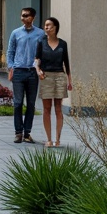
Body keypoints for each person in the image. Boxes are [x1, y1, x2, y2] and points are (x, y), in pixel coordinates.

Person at [6, 6, 45, 143]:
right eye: (22, 15)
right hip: (19, 72)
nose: (24, 18)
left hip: (32, 73)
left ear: (33, 18)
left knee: (31, 104)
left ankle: (27, 133)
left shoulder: (40, 34)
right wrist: (11, 67)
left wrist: (41, 69)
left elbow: (43, 53)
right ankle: (18, 133)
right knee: (17, 103)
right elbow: (10, 51)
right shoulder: (15, 33)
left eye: (27, 15)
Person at [34, 17, 73, 147]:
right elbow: (37, 59)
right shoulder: (41, 42)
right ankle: (48, 139)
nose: (46, 27)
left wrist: (69, 80)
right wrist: (38, 69)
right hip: (46, 76)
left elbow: (66, 62)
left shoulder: (63, 44)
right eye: (45, 25)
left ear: (55, 27)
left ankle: (58, 139)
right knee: (46, 108)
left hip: (60, 76)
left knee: (58, 109)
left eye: (49, 25)